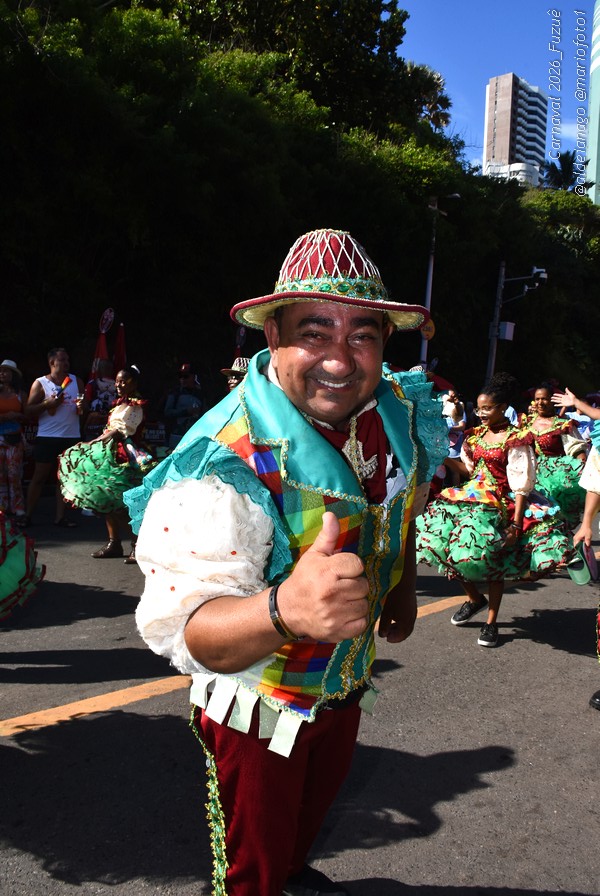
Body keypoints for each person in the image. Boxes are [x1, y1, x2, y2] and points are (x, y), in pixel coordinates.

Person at [124, 228, 448, 896]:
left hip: (344, 681)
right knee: (254, 867)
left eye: (362, 335)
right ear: (272, 337)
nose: (341, 359)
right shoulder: (221, 461)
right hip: (259, 703)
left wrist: (401, 587)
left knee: (305, 823)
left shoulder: (396, 409)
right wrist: (284, 608)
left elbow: (405, 502)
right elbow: (193, 633)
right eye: (314, 332)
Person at [417, 372, 571, 649]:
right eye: (479, 409)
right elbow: (469, 470)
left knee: (494, 563)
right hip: (471, 498)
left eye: (487, 409)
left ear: (502, 408)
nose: (482, 414)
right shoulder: (475, 437)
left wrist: (515, 523)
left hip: (501, 502)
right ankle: (475, 599)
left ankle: (491, 622)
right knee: (445, 548)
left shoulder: (516, 438)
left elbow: (521, 483)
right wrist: (441, 456)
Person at [59, 365, 154, 564]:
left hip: (127, 455)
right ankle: (114, 542)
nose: (119, 385)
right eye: (117, 381)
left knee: (124, 503)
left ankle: (137, 545)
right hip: (110, 451)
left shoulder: (135, 405)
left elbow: (120, 431)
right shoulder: (119, 403)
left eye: (123, 381)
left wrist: (94, 442)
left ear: (134, 383)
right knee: (106, 498)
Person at [24, 347, 85, 527]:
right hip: (48, 437)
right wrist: (47, 404)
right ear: (52, 362)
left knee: (64, 479)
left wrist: (82, 407)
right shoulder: (40, 383)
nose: (66, 363)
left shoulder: (76, 381)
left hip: (71, 436)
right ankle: (27, 516)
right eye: (62, 360)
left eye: (68, 360)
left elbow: (84, 407)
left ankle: (60, 517)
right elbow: (28, 410)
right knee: (39, 478)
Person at [520, 383, 587, 529]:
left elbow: (577, 450)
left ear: (552, 400)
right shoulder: (526, 422)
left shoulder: (563, 425)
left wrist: (582, 474)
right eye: (537, 399)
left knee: (552, 516)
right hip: (529, 473)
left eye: (544, 399)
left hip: (555, 477)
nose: (540, 402)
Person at [0, 359, 28, 526]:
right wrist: (6, 416)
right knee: (0, 475)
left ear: (13, 375)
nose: (2, 374)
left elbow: (28, 414)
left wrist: (17, 416)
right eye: (1, 371)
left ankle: (17, 507)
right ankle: (2, 507)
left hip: (14, 438)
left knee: (14, 474)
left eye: (6, 371)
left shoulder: (20, 395)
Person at [163, 362, 204, 449]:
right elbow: (167, 412)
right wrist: (186, 411)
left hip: (194, 435)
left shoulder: (200, 394)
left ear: (194, 377)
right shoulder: (175, 392)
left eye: (186, 376)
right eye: (180, 376)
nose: (182, 379)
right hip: (177, 435)